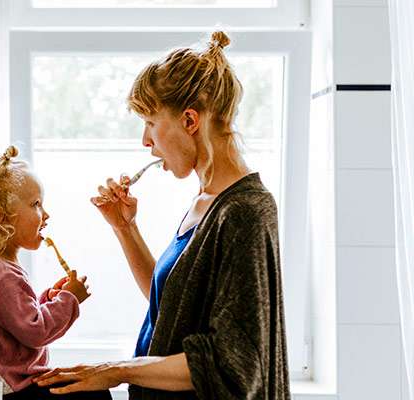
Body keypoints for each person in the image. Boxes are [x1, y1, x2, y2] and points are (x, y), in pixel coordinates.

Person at [34, 31, 291, 399]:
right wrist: (126, 228)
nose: (145, 141)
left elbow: (234, 362)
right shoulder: (206, 200)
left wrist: (117, 370)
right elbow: (171, 302)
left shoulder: (245, 212)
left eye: (150, 123)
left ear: (190, 120)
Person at [0, 145, 112, 400]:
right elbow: (35, 332)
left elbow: (15, 320)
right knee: (95, 392)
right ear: (2, 219)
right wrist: (69, 300)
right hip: (15, 390)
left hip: (4, 386)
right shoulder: (1, 275)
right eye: (36, 205)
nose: (46, 215)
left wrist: (50, 298)